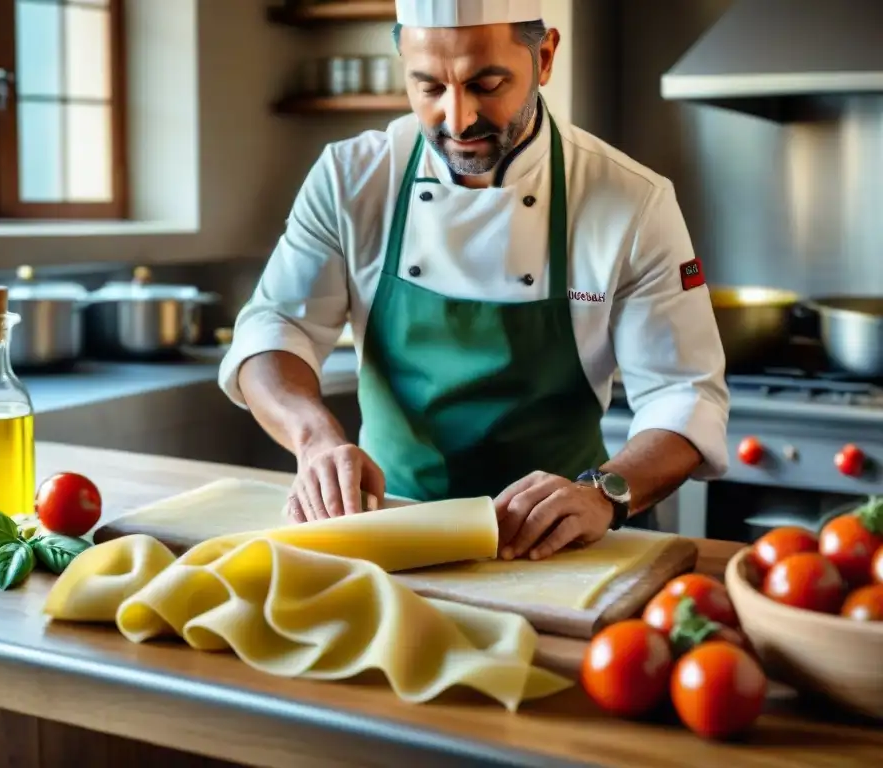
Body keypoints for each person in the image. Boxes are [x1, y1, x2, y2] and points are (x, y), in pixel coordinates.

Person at [218, 0, 728, 561]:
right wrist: (314, 440)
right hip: (388, 527)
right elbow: (275, 327)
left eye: (486, 85)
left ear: (544, 57)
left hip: (560, 544)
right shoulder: (351, 178)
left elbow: (684, 393)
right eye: (429, 87)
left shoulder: (631, 201)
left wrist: (603, 493)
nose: (458, 119)